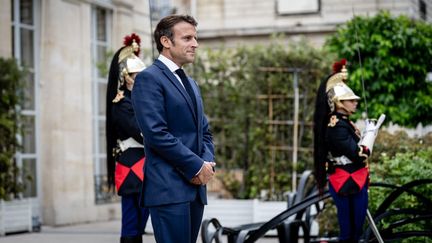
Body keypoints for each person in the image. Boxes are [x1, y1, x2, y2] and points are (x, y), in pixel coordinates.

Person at [131, 15, 216, 243]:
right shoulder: (149, 79)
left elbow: (204, 132)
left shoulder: (191, 83)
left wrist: (207, 163)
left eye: (195, 38)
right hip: (168, 189)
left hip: (196, 189)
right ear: (166, 41)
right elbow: (156, 134)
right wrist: (196, 166)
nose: (195, 44)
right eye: (187, 38)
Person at [313, 59, 384, 242]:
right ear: (339, 103)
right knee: (349, 234)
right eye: (350, 100)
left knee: (355, 233)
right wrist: (370, 136)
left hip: (355, 179)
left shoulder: (344, 123)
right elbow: (359, 154)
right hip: (346, 180)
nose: (355, 103)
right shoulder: (336, 126)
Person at [106, 33, 150, 243]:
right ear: (126, 77)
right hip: (131, 163)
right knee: (132, 223)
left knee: (143, 217)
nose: (141, 79)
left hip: (146, 163)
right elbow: (139, 132)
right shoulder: (121, 103)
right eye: (137, 75)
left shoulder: (143, 100)